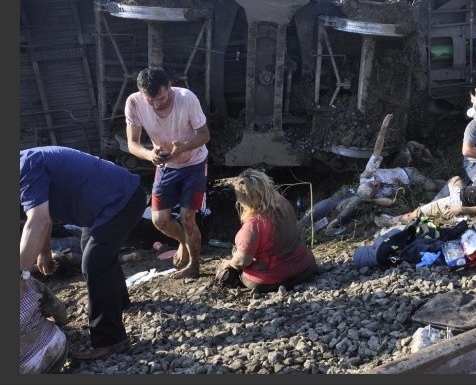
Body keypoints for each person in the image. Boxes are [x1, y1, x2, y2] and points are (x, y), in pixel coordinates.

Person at [20, 146, 148, 361]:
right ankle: (117, 303)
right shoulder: (26, 164)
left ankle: (111, 340)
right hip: (103, 206)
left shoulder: (26, 166)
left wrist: (19, 274)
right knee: (99, 255)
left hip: (120, 199)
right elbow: (44, 213)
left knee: (94, 262)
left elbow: (38, 220)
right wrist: (45, 253)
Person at [125, 67, 211, 278]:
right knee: (159, 220)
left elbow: (205, 135)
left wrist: (184, 147)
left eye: (161, 98)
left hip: (194, 161)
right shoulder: (134, 103)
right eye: (151, 100)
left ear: (170, 86)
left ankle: (194, 265)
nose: (156, 104)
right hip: (165, 165)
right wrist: (149, 154)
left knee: (187, 217)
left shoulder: (186, 98)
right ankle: (183, 241)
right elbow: (132, 144)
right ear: (141, 93)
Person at [215, 169, 318, 293]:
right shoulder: (283, 203)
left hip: (270, 278)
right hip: (305, 267)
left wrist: (229, 263)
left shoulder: (253, 224)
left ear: (243, 199)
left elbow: (242, 261)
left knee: (225, 273)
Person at [374, 173, 476, 227]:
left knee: (415, 214)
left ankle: (388, 221)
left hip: (458, 203)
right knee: (455, 178)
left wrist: (461, 210)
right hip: (460, 192)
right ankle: (433, 200)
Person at [357, 113, 442, 202]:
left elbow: (377, 150)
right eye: (375, 188)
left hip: (408, 174)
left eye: (371, 184)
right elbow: (389, 203)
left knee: (432, 186)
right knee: (432, 196)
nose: (375, 184)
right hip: (411, 190)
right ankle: (445, 185)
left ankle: (446, 184)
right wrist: (373, 199)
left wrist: (383, 128)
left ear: (367, 182)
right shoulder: (376, 196)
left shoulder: (368, 175)